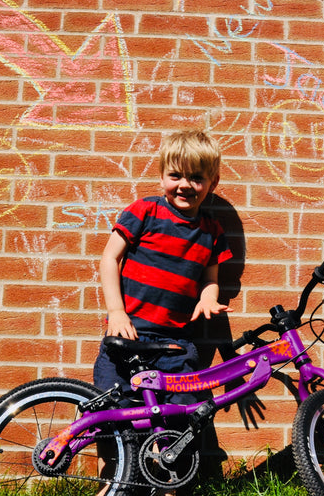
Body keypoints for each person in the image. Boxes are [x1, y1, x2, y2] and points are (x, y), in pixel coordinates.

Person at [93, 129, 233, 406]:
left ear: (212, 183)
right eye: (176, 176)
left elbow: (210, 278)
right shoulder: (144, 211)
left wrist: (208, 298)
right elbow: (109, 258)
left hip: (175, 346)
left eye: (196, 178)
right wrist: (116, 312)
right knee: (115, 415)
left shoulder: (211, 232)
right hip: (128, 334)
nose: (185, 185)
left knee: (182, 419)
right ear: (161, 177)